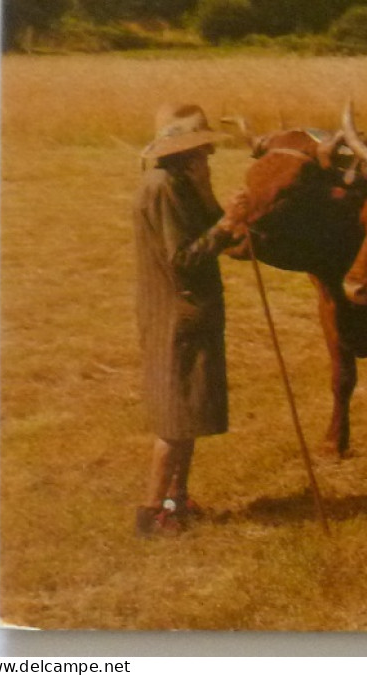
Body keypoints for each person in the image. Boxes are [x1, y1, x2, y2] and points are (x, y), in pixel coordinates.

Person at [133, 104, 244, 537]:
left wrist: (220, 206)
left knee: (190, 413)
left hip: (192, 313)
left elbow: (222, 234)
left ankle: (176, 501)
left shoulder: (183, 183)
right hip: (176, 315)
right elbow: (184, 258)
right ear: (185, 152)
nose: (209, 157)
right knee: (176, 421)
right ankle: (152, 512)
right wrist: (227, 225)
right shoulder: (163, 187)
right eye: (204, 152)